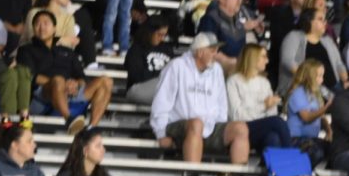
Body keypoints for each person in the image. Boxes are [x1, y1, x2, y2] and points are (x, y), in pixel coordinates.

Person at [150, 32, 251, 165]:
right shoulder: (177, 66)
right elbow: (162, 102)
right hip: (179, 125)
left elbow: (221, 104)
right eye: (212, 50)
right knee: (196, 124)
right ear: (200, 52)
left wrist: (220, 125)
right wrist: (161, 133)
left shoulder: (216, 70)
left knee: (241, 128)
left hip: (209, 127)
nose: (216, 54)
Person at [17, 10, 110, 132]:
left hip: (70, 93)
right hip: (42, 96)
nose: (42, 27)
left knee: (106, 81)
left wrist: (76, 84)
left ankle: (91, 128)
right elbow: (30, 76)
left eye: (46, 23)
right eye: (37, 24)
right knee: (58, 79)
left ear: (54, 28)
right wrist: (60, 83)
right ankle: (70, 120)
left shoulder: (67, 51)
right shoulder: (26, 50)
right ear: (33, 29)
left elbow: (81, 76)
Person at [227, 44, 291, 155]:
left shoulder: (265, 83)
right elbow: (236, 115)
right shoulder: (233, 81)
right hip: (241, 128)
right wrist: (263, 106)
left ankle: (274, 170)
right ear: (253, 58)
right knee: (278, 122)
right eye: (263, 56)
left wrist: (267, 108)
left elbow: (271, 113)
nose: (267, 60)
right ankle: (292, 161)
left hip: (263, 128)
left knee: (273, 138)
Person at [278, 7, 345, 96]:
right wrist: (310, 80)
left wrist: (346, 81)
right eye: (320, 19)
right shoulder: (294, 36)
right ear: (309, 21)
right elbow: (287, 61)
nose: (325, 22)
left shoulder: (327, 40)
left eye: (325, 20)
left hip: (333, 87)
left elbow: (339, 64)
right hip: (304, 87)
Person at [285, 59, 332, 167]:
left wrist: (329, 131)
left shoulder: (314, 95)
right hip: (296, 139)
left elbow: (321, 118)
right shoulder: (297, 92)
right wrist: (326, 108)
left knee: (336, 149)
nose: (322, 80)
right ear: (309, 76)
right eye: (319, 76)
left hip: (311, 139)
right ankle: (297, 174)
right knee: (316, 152)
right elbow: (306, 117)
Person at [199, 0, 260, 76]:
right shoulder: (211, 19)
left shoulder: (238, 22)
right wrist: (227, 61)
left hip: (238, 71)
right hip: (216, 72)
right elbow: (206, 49)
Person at [125, 13, 173, 105]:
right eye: (159, 34)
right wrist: (160, 77)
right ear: (150, 31)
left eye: (164, 35)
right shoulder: (137, 49)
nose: (162, 38)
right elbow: (136, 76)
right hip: (139, 88)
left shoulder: (167, 49)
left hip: (162, 88)